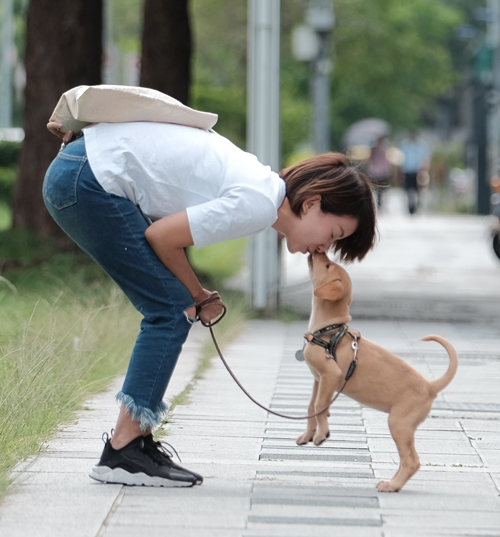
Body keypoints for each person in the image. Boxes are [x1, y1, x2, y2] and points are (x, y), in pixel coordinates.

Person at [45, 119, 376, 487]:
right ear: (312, 203)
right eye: (333, 234)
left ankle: (131, 443)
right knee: (171, 310)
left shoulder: (259, 185)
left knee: (171, 305)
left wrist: (194, 294)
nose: (324, 248)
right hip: (88, 179)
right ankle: (125, 451)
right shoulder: (258, 203)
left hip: (81, 169)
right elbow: (162, 236)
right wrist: (197, 295)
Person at [400, 132, 429, 214]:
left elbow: (425, 159)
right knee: (409, 188)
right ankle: (411, 206)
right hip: (408, 171)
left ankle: (417, 203)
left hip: (418, 171)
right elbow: (402, 159)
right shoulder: (405, 146)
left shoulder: (421, 146)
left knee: (418, 189)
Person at [366, 135, 392, 209]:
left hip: (378, 172)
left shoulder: (382, 149)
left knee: (380, 190)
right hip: (377, 172)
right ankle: (378, 204)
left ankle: (379, 204)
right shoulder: (375, 150)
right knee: (378, 190)